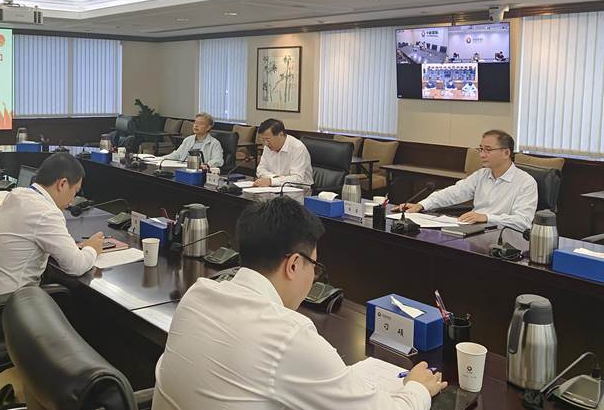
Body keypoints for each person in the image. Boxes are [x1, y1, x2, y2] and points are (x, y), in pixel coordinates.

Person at [152, 197, 446, 410]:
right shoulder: (287, 335)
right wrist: (417, 389)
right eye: (314, 267)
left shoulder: (197, 295)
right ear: (293, 265)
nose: (313, 277)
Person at [0, 153, 104, 298]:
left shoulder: (17, 194)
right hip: (8, 303)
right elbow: (75, 266)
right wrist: (92, 248)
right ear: (62, 184)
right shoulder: (46, 213)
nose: (73, 200)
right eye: (75, 191)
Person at [396, 130, 537, 231]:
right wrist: (421, 205)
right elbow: (454, 193)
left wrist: (487, 217)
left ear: (506, 153)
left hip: (503, 237)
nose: (482, 155)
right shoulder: (481, 175)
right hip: (474, 231)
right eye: (480, 149)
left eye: (488, 150)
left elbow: (523, 222)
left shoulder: (526, 183)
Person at [254, 118, 313, 187]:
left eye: (267, 139)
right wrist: (274, 178)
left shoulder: (297, 147)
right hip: (275, 187)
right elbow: (260, 169)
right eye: (263, 140)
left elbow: (297, 178)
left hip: (300, 189)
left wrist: (272, 181)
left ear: (281, 135)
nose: (265, 143)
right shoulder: (268, 146)